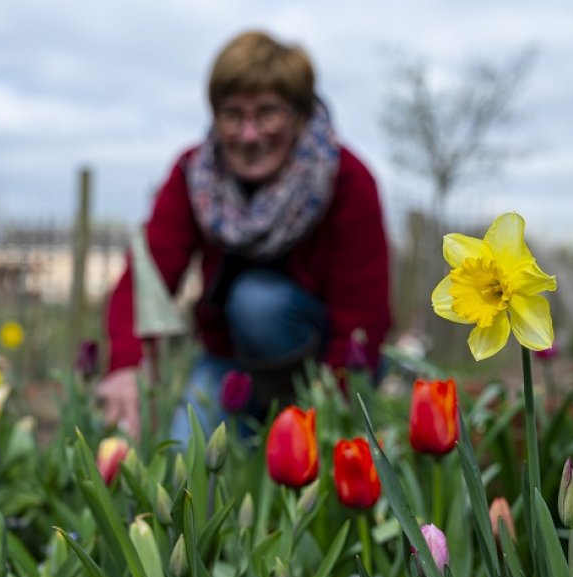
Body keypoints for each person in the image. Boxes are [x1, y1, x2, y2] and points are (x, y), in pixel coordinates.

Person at [97, 30, 391, 441]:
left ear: (301, 116)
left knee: (257, 302)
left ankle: (288, 410)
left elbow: (362, 316)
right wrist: (126, 365)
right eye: (233, 115)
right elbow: (146, 277)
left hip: (325, 364)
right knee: (188, 457)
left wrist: (331, 416)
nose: (250, 135)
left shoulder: (346, 182)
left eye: (267, 112)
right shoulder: (194, 176)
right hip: (230, 364)